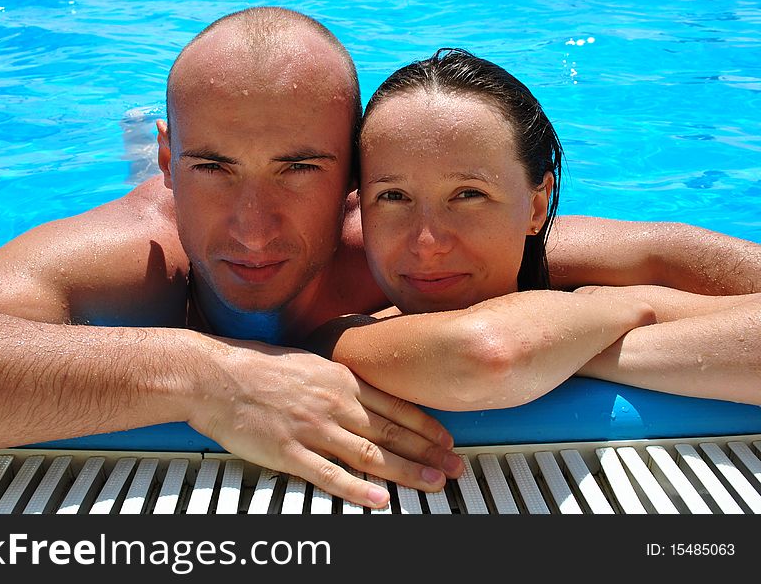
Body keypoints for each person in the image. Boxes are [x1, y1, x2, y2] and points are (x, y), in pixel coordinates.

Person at [0, 8, 759, 509]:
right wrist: (199, 373)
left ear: (352, 176)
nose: (254, 228)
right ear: (169, 168)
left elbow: (696, 263)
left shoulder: (402, 242)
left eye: (299, 169)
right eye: (212, 168)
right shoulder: (137, 258)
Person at [304, 48, 761, 409]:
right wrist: (615, 311)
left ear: (537, 204)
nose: (428, 243)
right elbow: (486, 356)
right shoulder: (338, 333)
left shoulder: (577, 276)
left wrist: (570, 334)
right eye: (393, 197)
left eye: (469, 195)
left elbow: (667, 248)